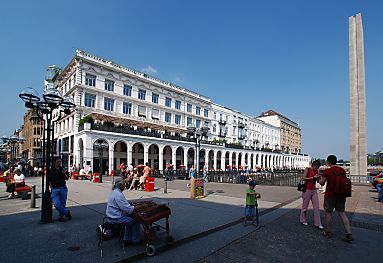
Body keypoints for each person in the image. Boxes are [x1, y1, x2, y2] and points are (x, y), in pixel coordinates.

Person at [319, 155, 352, 241]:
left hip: (330, 195)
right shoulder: (342, 170)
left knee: (328, 213)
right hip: (341, 194)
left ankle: (328, 231)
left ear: (328, 162)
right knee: (342, 213)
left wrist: (319, 179)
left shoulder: (328, 171)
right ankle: (348, 233)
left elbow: (322, 183)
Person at [106, 177, 141, 245]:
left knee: (130, 219)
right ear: (120, 185)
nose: (125, 186)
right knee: (135, 221)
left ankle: (127, 238)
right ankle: (135, 240)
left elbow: (123, 205)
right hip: (115, 217)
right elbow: (127, 209)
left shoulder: (115, 192)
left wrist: (130, 205)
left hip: (113, 215)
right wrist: (137, 207)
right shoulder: (118, 194)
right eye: (124, 184)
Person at [300, 160, 323, 229]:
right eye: (316, 167)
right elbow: (303, 178)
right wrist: (313, 177)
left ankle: (318, 223)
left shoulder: (316, 171)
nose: (317, 168)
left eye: (318, 167)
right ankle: (302, 219)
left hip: (314, 190)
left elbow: (318, 181)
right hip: (307, 189)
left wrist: (319, 178)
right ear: (313, 165)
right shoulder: (308, 169)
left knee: (316, 207)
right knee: (305, 207)